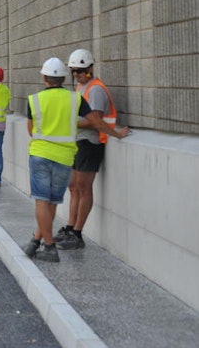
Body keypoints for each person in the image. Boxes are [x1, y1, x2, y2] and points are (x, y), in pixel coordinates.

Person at [22, 57, 113, 262]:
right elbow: (96, 121)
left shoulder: (34, 100)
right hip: (65, 156)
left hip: (41, 154)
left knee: (42, 201)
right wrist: (116, 133)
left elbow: (31, 130)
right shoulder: (75, 98)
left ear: (44, 77)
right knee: (53, 201)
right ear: (64, 77)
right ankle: (36, 241)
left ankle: (49, 246)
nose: (78, 74)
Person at [54, 49, 131, 250]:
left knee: (83, 188)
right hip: (78, 142)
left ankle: (77, 234)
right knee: (73, 187)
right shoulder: (82, 87)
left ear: (90, 68)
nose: (77, 75)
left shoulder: (95, 89)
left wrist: (70, 123)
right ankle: (70, 228)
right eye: (73, 71)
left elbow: (94, 121)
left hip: (90, 144)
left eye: (80, 71)